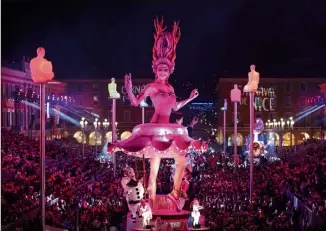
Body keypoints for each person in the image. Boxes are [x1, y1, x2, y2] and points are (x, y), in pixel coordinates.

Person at [108, 16, 203, 211]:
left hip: (168, 129)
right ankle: (150, 198)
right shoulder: (152, 86)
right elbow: (135, 102)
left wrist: (191, 98)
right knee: (154, 168)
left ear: (170, 71)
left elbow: (175, 107)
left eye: (165, 68)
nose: (162, 71)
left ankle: (175, 194)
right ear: (155, 69)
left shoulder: (170, 88)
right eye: (160, 68)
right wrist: (128, 89)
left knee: (182, 160)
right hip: (154, 130)